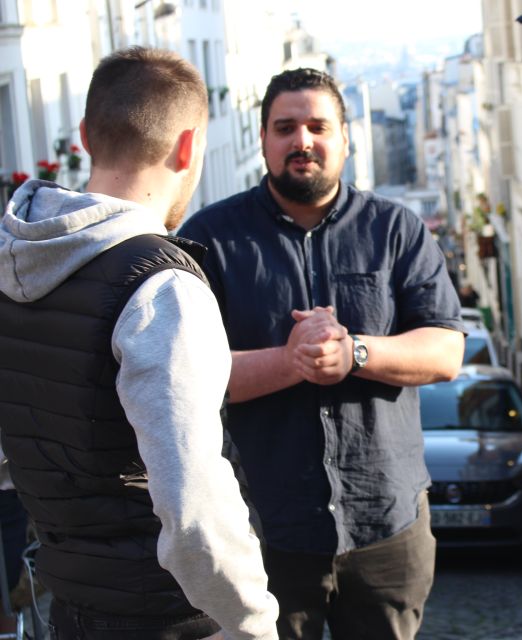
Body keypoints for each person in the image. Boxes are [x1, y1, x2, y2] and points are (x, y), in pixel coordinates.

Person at [0, 47, 279, 640]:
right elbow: (193, 508)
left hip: (69, 605)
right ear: (187, 147)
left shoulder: (13, 265)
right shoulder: (161, 287)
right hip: (165, 616)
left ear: (84, 135)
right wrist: (255, 623)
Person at [177, 67, 465, 640]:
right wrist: (291, 362)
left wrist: (353, 351)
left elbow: (446, 349)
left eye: (317, 126)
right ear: (262, 139)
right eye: (285, 127)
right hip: (262, 525)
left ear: (345, 138)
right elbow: (184, 376)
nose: (302, 140)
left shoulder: (396, 230)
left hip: (386, 520)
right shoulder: (208, 239)